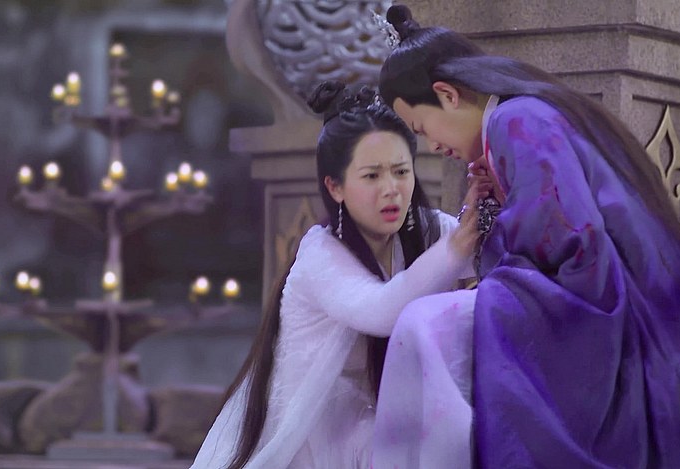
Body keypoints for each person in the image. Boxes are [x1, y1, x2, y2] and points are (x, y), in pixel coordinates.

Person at [372, 4, 680, 468]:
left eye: (421, 127)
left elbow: (569, 245)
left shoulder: (517, 122)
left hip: (601, 304)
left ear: (447, 95)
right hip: (625, 297)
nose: (432, 145)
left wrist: (491, 242)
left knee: (422, 325)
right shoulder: (517, 121)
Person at [189, 81, 479, 469]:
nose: (391, 190)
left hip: (373, 424)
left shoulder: (426, 231)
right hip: (309, 436)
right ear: (335, 187)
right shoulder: (320, 254)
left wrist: (486, 211)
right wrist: (457, 248)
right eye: (372, 176)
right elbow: (382, 310)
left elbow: (488, 257)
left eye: (400, 171)